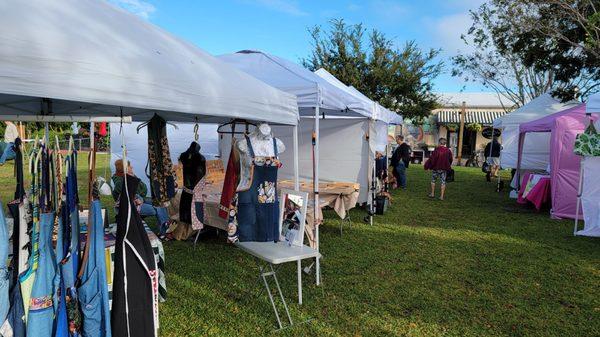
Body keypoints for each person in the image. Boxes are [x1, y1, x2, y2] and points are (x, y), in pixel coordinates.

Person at [111, 159, 169, 232]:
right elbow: (132, 195)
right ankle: (165, 229)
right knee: (154, 209)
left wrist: (134, 178)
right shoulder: (120, 181)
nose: (131, 167)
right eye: (129, 166)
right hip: (130, 205)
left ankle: (165, 227)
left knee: (160, 202)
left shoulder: (130, 176)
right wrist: (139, 195)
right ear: (124, 168)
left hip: (140, 199)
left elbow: (144, 189)